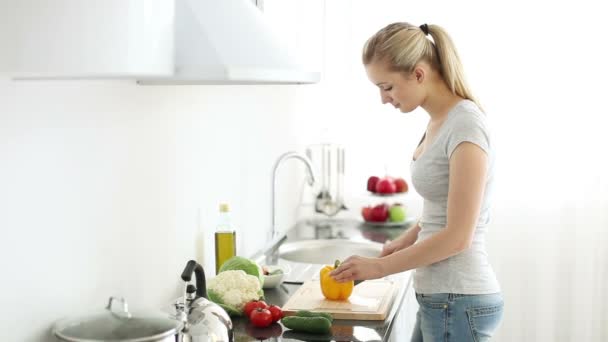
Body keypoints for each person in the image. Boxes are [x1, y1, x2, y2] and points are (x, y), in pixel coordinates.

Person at [330, 22, 503, 341]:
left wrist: (378, 268)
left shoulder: (466, 126)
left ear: (419, 74)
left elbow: (458, 237)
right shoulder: (441, 121)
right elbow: (443, 205)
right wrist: (406, 239)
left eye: (387, 86)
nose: (383, 99)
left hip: (458, 298)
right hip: (443, 298)